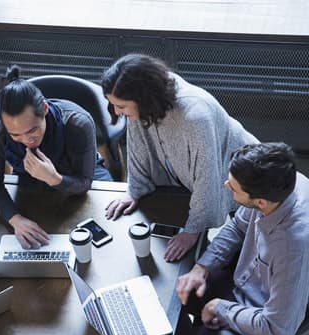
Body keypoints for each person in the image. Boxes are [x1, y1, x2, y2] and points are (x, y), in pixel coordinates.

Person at [101, 54, 258, 261]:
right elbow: (138, 148)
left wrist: (192, 230)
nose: (116, 112)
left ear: (144, 99)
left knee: (249, 245)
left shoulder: (195, 116)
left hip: (246, 173)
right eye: (113, 105)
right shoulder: (145, 103)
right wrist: (135, 191)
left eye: (121, 106)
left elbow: (207, 176)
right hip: (217, 169)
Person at [176, 142, 309, 335]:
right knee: (178, 293)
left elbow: (277, 328)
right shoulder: (281, 185)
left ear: (260, 202)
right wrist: (202, 268)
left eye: (234, 188)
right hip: (245, 281)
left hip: (264, 315)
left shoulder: (292, 248)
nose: (226, 184)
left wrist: (219, 308)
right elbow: (238, 227)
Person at [0, 66, 112, 249]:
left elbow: (84, 181)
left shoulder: (77, 123)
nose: (27, 141)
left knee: (107, 228)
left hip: (79, 173)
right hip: (28, 179)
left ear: (44, 108)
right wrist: (15, 219)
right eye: (15, 135)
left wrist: (54, 178)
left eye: (32, 130)